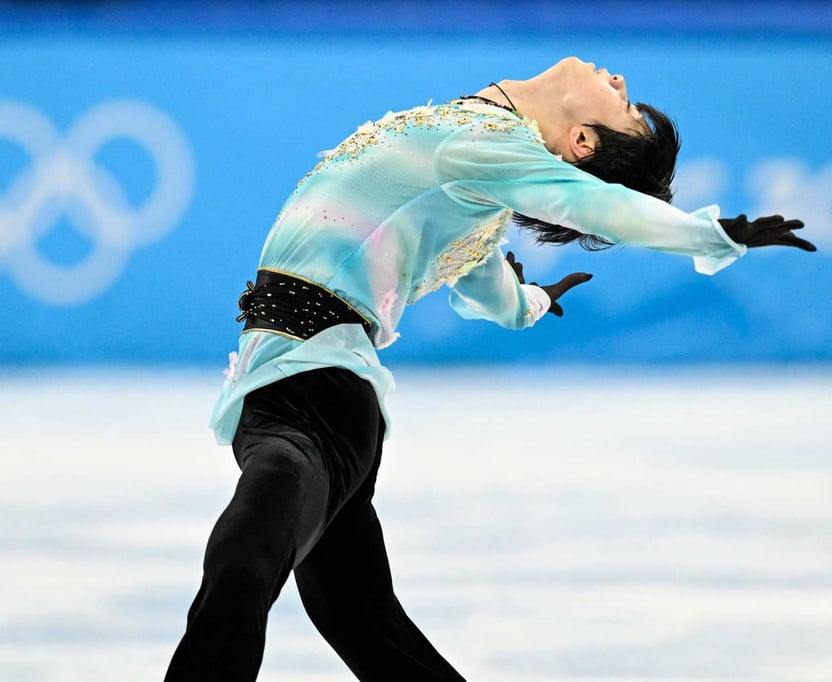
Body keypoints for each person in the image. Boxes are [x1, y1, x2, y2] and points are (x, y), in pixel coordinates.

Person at [164, 56, 815, 681]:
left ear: (582, 141)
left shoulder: (490, 149)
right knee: (364, 623)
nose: (618, 80)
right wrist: (533, 301)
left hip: (316, 396)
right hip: (306, 383)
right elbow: (490, 288)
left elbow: (596, 206)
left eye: (624, 107)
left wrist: (710, 236)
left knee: (247, 568)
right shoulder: (480, 170)